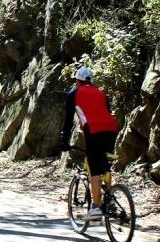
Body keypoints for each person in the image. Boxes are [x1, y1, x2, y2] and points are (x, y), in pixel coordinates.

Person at [60, 67, 119, 221]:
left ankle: (96, 208)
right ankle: (110, 199)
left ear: (77, 81)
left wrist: (64, 139)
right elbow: (105, 111)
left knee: (94, 169)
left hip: (94, 131)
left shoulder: (74, 94)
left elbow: (68, 120)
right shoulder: (100, 93)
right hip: (111, 130)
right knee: (104, 163)